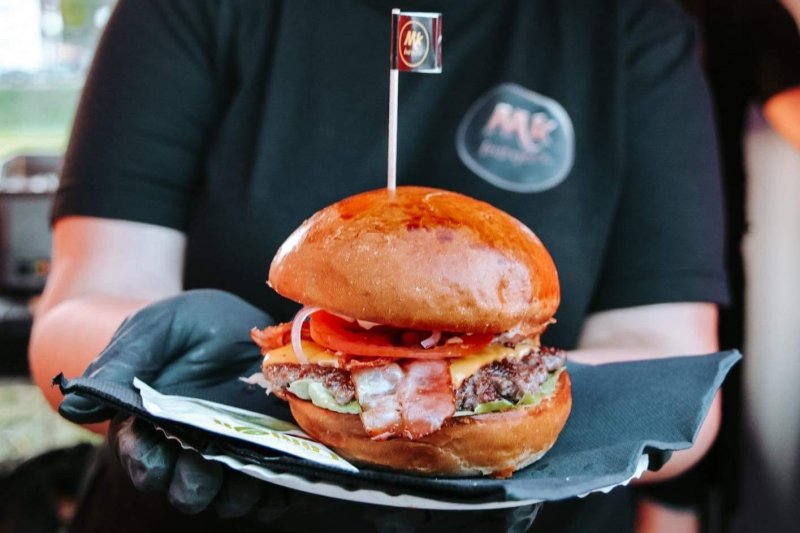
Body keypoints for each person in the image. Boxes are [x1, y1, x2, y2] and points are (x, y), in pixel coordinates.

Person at [28, 0, 727, 531]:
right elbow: (78, 305)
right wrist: (174, 388)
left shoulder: (629, 27)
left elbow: (672, 370)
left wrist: (569, 434)